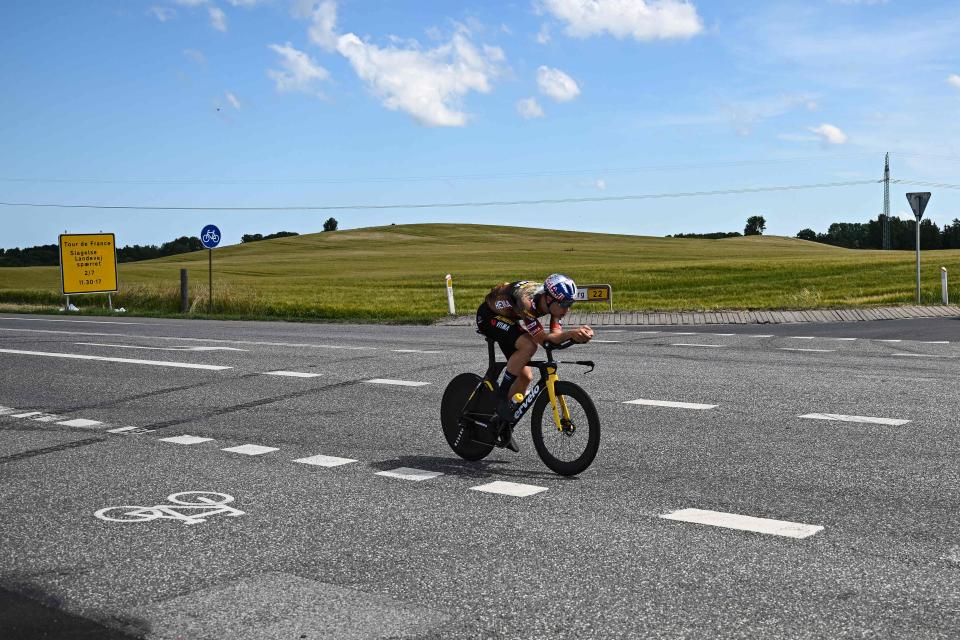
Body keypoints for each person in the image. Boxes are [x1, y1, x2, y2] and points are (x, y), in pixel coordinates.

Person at [475, 274, 594, 451]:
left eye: (570, 304)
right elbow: (543, 340)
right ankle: (501, 396)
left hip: (509, 317)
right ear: (548, 298)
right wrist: (570, 334)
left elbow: (554, 336)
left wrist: (577, 337)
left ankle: (500, 422)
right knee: (529, 345)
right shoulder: (527, 303)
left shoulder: (554, 303)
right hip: (489, 316)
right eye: (563, 304)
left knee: (524, 377)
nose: (566, 310)